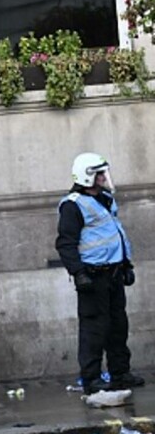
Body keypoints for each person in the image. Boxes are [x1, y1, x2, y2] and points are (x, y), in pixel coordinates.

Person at [55, 153, 144, 395]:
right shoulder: (73, 205)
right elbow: (66, 243)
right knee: (94, 328)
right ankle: (91, 379)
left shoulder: (104, 199)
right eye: (100, 173)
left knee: (118, 325)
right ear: (87, 176)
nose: (104, 177)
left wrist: (126, 265)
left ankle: (120, 373)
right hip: (92, 276)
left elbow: (115, 233)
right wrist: (79, 273)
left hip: (113, 272)